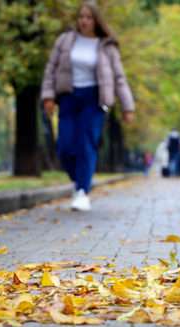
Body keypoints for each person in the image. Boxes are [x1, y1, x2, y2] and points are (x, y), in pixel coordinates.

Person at [41, 2, 135, 211]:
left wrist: (127, 107)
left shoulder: (106, 46)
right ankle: (81, 180)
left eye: (89, 17)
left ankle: (82, 191)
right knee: (64, 146)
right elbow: (51, 69)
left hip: (94, 99)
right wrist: (48, 96)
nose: (84, 21)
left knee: (86, 143)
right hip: (68, 97)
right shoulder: (65, 41)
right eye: (81, 16)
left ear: (96, 20)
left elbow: (119, 78)